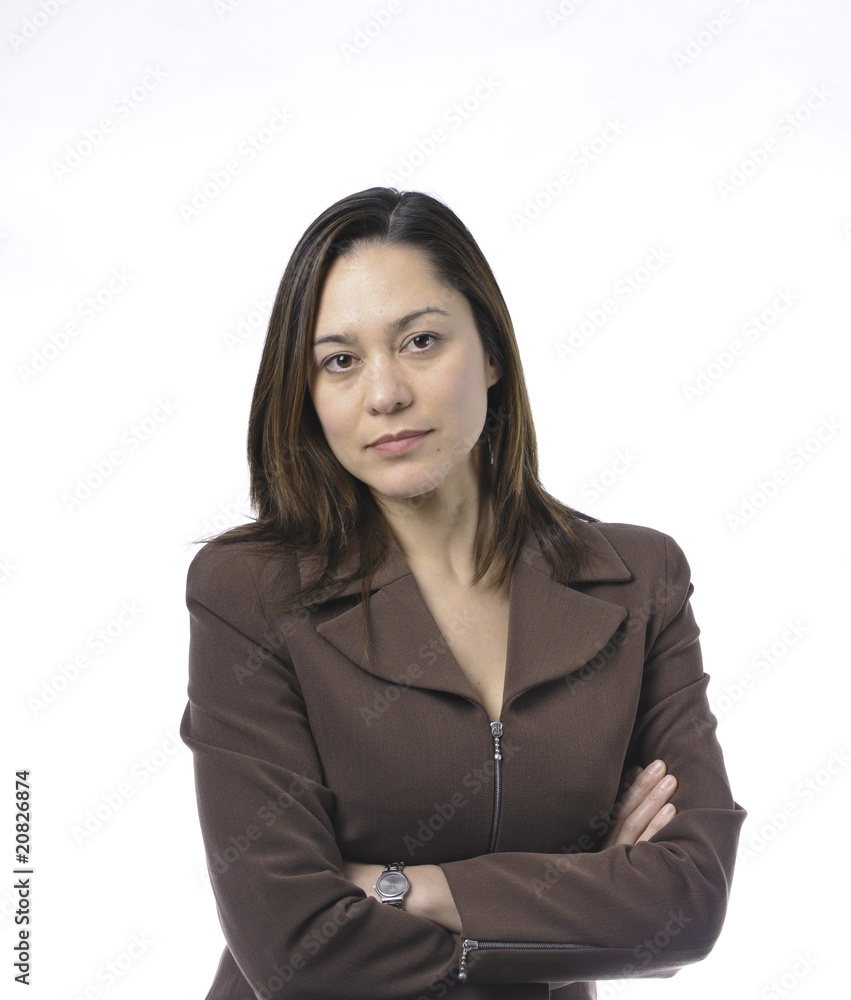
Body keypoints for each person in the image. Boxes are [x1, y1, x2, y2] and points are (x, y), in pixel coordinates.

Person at [180, 187, 745, 1000]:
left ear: (491, 354)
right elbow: (293, 948)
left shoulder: (638, 580)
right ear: (306, 393)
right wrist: (586, 894)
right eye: (339, 360)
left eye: (419, 341)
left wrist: (397, 888)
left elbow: (685, 907)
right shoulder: (250, 591)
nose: (384, 394)